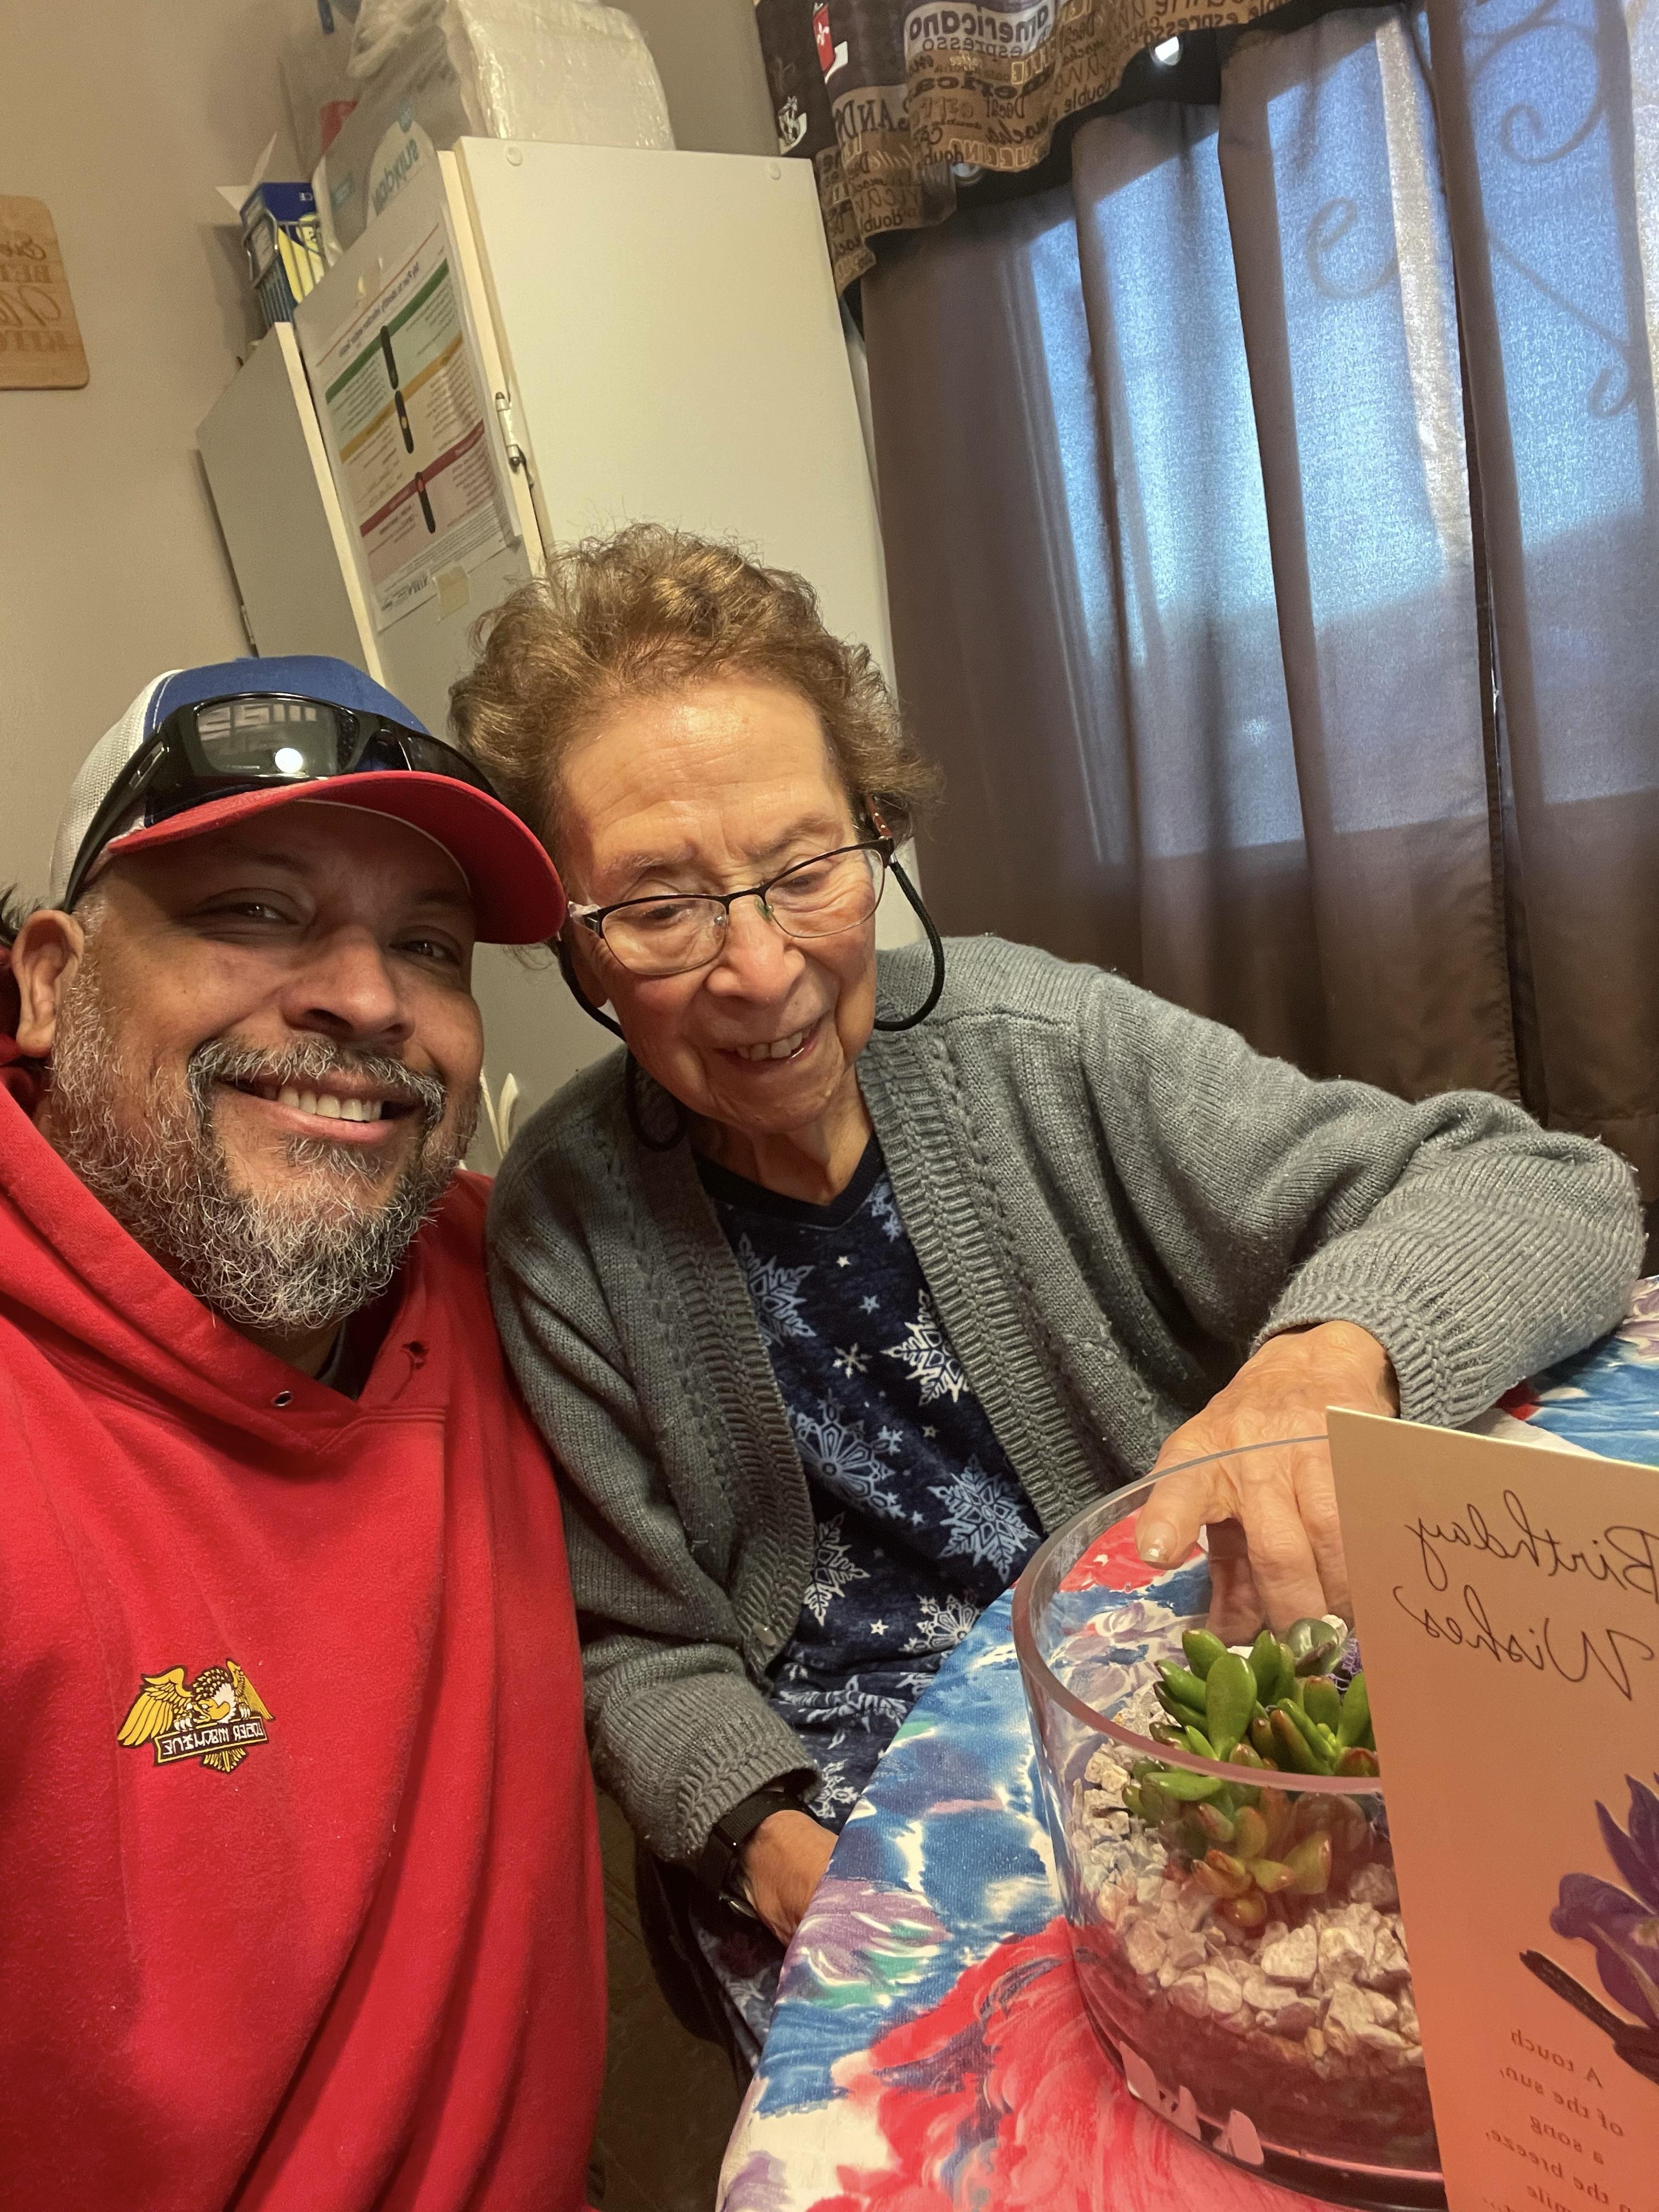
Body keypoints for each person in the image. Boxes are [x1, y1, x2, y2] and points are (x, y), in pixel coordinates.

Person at [452, 527, 1643, 2063]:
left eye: (806, 868)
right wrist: (766, 1843)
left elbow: (1548, 1185)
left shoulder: (1051, 1049)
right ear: (578, 947)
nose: (758, 970)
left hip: (1177, 1687)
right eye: (663, 907)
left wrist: (1327, 1356)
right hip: (839, 1799)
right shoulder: (561, 1219)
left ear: (876, 833)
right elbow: (635, 1641)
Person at [0, 657, 605, 2210]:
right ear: (50, 980)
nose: (366, 996)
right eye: (257, 911)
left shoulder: (514, 1276)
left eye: (430, 944)